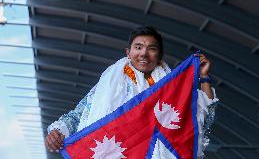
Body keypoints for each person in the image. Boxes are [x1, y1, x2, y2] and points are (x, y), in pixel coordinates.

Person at [45, 26, 218, 158]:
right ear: (128, 52)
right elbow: (78, 115)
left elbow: (201, 120)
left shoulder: (171, 89)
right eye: (138, 47)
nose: (144, 53)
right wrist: (57, 132)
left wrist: (203, 77)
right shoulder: (108, 84)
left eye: (151, 48)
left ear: (159, 55)